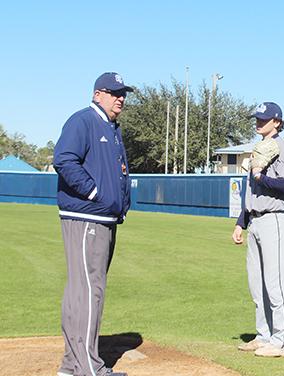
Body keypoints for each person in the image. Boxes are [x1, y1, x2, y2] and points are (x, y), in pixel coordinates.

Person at [53, 72, 133, 376]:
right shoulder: (84, 121)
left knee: (82, 289)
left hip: (103, 218)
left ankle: (72, 366)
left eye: (122, 93)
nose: (120, 98)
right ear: (98, 93)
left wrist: (119, 205)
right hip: (88, 217)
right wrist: (94, 193)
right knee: (88, 291)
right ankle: (88, 367)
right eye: (114, 92)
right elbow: (64, 160)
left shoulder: (111, 127)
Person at [232, 102, 284, 358]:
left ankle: (282, 341)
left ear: (277, 122)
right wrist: (241, 222)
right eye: (257, 118)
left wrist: (261, 177)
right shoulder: (258, 148)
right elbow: (250, 192)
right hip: (255, 220)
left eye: (264, 119)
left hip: (275, 220)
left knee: (275, 283)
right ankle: (264, 335)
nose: (259, 122)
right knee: (256, 283)